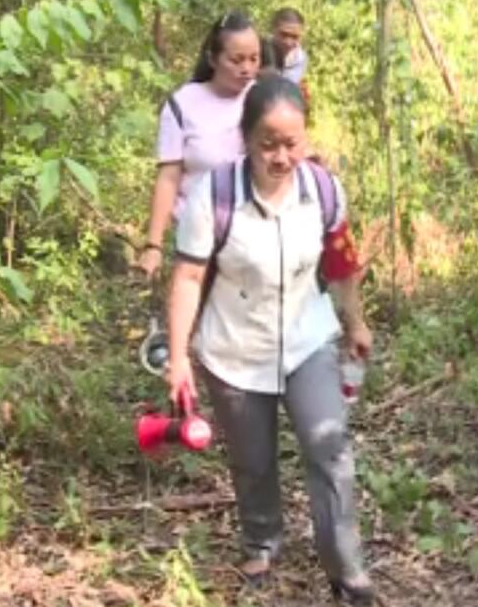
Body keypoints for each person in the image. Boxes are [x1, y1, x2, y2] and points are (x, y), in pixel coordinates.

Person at [163, 75, 376, 603]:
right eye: (268, 144)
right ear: (245, 139)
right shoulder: (215, 196)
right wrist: (178, 355)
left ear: (305, 138)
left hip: (307, 339)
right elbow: (188, 277)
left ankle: (345, 566)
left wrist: (355, 321)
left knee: (329, 447)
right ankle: (262, 539)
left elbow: (341, 262)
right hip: (234, 349)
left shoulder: (322, 189)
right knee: (252, 459)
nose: (281, 157)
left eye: (291, 143)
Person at [137, 10, 268, 278]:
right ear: (212, 59)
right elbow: (169, 177)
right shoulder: (182, 105)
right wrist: (153, 245)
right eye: (236, 60)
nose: (247, 68)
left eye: (254, 59)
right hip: (195, 239)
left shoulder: (264, 100)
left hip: (255, 239)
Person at [269, 7, 311, 107]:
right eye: (284, 35)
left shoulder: (300, 59)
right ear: (273, 29)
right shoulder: (258, 51)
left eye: (294, 37)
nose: (288, 42)